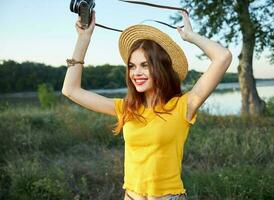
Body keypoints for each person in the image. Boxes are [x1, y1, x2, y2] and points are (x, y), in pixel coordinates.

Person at [62, 10, 232, 200]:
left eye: (145, 65)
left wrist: (190, 37)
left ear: (160, 68)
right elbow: (70, 90)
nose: (136, 73)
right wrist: (84, 38)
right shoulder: (126, 108)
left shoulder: (184, 106)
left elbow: (222, 57)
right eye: (132, 66)